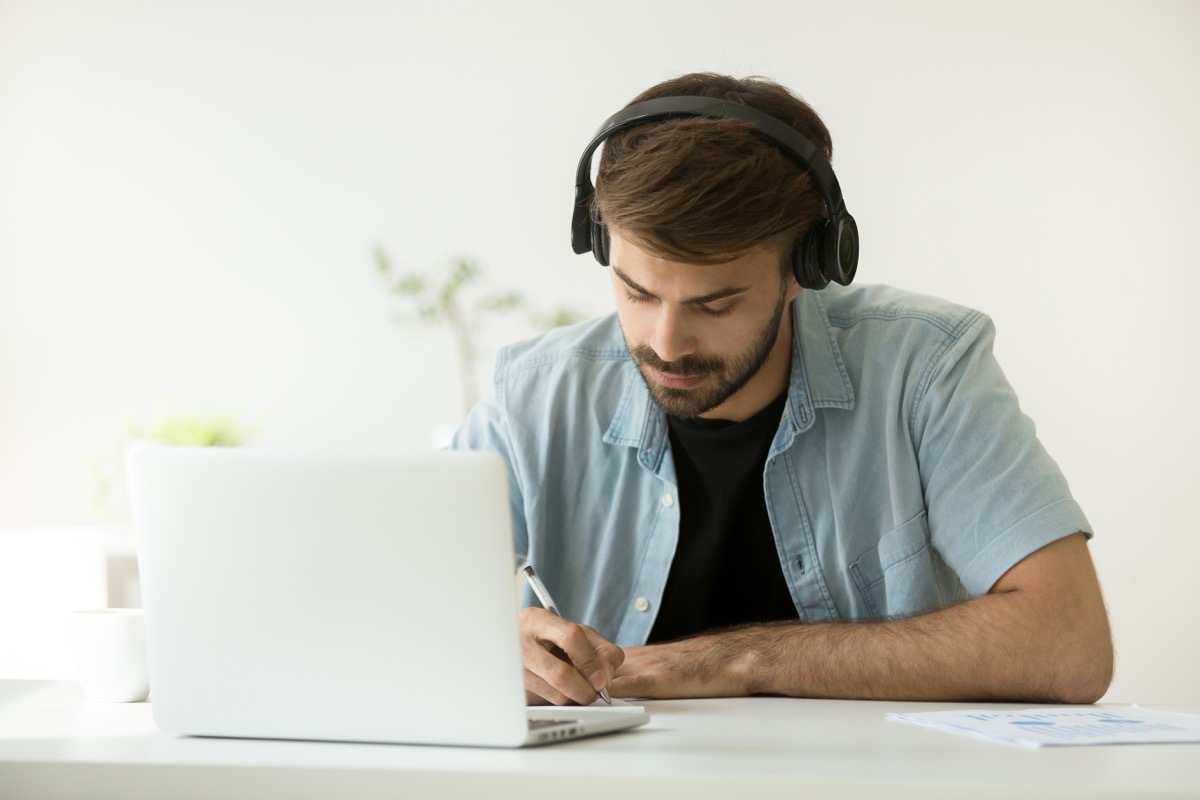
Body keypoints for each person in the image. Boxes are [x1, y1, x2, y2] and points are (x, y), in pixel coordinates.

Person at [451, 72, 1113, 706]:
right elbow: (375, 614)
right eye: (636, 292)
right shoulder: (534, 399)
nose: (667, 341)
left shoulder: (924, 369)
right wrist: (481, 644)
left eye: (715, 304)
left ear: (806, 269)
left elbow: (1069, 645)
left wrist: (738, 660)